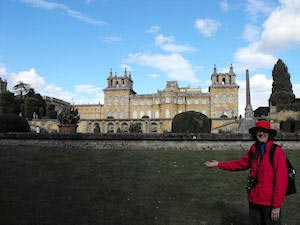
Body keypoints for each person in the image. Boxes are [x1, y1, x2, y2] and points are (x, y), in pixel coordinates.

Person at [204, 120, 288, 225]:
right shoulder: (254, 149)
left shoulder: (276, 152)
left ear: (269, 134)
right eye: (258, 131)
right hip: (254, 200)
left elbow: (281, 180)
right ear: (255, 134)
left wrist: (276, 206)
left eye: (264, 131)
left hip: (269, 203)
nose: (261, 134)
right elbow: (240, 164)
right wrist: (219, 164)